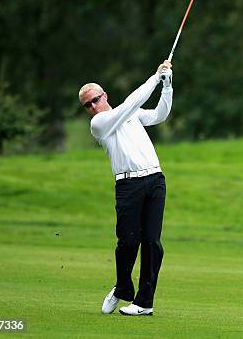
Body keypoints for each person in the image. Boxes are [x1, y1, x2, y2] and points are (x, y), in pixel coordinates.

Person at [78, 60, 173, 316]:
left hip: (154, 180)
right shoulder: (100, 124)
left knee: (152, 243)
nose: (93, 106)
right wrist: (154, 77)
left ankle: (144, 302)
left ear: (104, 95)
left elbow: (159, 115)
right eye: (87, 105)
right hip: (128, 185)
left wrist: (167, 84)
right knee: (128, 242)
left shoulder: (130, 113)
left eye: (95, 100)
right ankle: (122, 289)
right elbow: (130, 103)